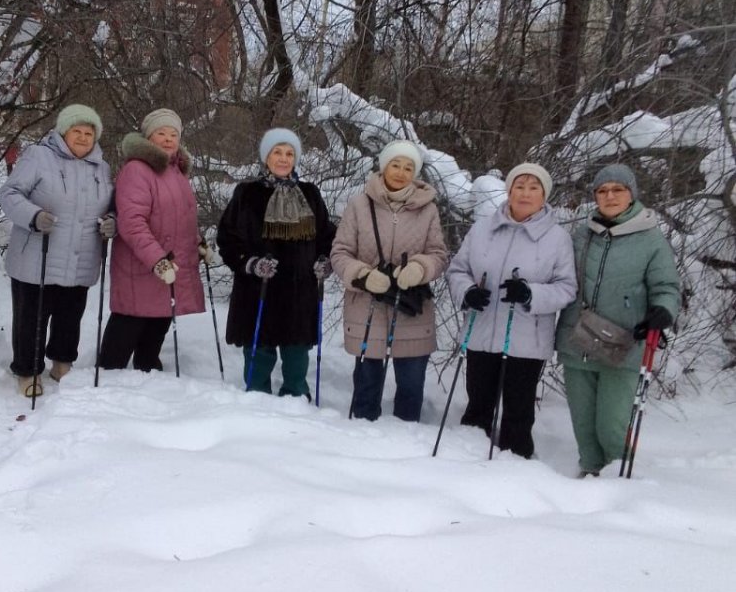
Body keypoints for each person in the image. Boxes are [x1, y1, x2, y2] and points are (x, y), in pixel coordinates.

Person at [556, 163, 680, 476]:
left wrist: (662, 310)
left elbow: (666, 286)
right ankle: (589, 474)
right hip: (577, 338)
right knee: (583, 423)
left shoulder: (650, 239)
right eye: (602, 190)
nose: (610, 196)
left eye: (618, 189)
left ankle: (618, 483)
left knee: (612, 424)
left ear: (631, 194)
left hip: (623, 342)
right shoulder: (581, 235)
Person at [446, 162, 577, 458]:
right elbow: (457, 270)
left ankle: (516, 467)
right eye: (519, 186)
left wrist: (531, 293)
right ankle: (465, 463)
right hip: (481, 332)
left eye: (533, 188)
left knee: (518, 412)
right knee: (478, 404)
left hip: (526, 341)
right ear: (509, 190)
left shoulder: (557, 238)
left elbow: (567, 288)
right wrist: (468, 293)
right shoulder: (482, 229)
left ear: (544, 195)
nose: (525, 194)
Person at [0, 104, 115, 397]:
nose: (83, 137)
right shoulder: (39, 157)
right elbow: (10, 193)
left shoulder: (102, 168)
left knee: (69, 316)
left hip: (81, 257)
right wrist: (33, 216)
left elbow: (111, 206)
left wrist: (112, 222)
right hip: (38, 255)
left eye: (89, 133)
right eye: (77, 130)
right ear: (64, 132)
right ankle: (27, 370)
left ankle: (61, 363)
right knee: (32, 319)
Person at [330, 140, 448, 422]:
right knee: (367, 385)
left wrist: (419, 269)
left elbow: (438, 254)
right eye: (395, 164)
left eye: (409, 167)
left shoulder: (427, 209)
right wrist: (363, 276)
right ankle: (362, 437)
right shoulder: (359, 205)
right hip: (367, 308)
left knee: (411, 384)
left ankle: (407, 442)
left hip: (411, 307)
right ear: (384, 166)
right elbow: (340, 252)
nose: (401, 172)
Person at [217, 128, 334, 397]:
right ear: (266, 156)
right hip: (259, 288)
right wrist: (251, 263)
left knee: (296, 353)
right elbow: (228, 238)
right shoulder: (247, 193)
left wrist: (323, 262)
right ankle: (257, 401)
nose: (283, 159)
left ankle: (297, 399)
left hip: (299, 288)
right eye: (277, 152)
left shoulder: (310, 193)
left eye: (289, 153)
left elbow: (327, 236)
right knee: (259, 352)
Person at [100, 108, 206, 372]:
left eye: (173, 134)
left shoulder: (177, 172)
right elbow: (132, 222)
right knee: (131, 318)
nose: (169, 139)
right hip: (143, 263)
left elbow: (180, 219)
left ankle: (147, 370)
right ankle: (108, 374)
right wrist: (157, 260)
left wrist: (197, 243)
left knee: (159, 318)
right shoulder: (137, 170)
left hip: (170, 264)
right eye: (161, 133)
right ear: (149, 137)